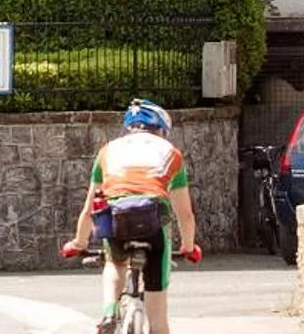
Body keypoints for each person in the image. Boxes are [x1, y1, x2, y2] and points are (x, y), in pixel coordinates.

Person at [62, 98, 202, 334]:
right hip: (154, 216)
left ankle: (109, 311)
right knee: (158, 316)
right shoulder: (171, 153)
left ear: (129, 127)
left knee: (115, 263)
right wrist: (189, 247)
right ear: (161, 130)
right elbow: (185, 214)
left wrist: (78, 243)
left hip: (116, 214)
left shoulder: (107, 151)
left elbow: (88, 209)